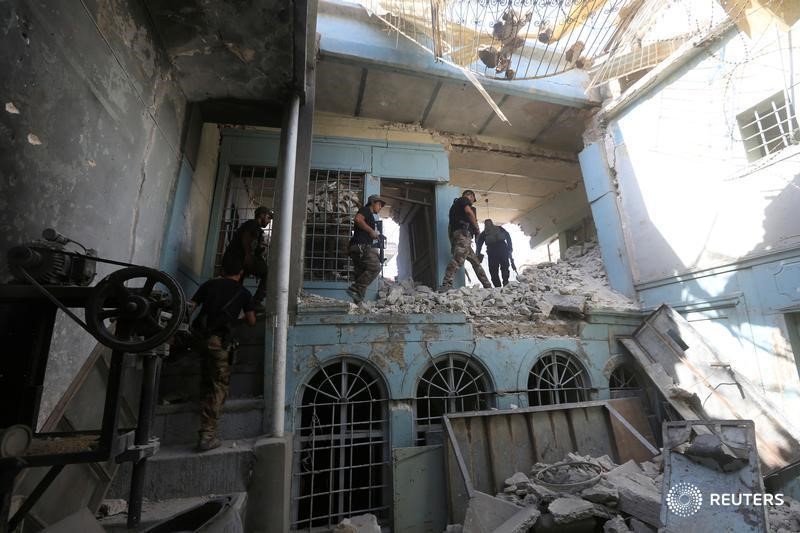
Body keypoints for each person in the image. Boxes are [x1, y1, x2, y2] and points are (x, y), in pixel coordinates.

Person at [189, 256, 256, 451]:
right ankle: (208, 434)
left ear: (222, 270)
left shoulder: (208, 285)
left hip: (199, 338)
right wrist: (238, 317)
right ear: (240, 273)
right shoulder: (243, 292)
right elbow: (251, 321)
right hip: (219, 342)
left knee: (206, 377)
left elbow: (190, 306)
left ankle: (203, 413)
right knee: (219, 385)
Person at [221, 206, 273, 310]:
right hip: (236, 260)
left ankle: (232, 311)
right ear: (261, 215)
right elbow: (246, 238)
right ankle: (255, 303)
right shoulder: (252, 224)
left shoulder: (255, 229)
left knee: (234, 290)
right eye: (268, 217)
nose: (268, 221)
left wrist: (261, 249)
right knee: (267, 273)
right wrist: (248, 256)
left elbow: (253, 245)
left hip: (237, 261)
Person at [440, 190, 492, 291]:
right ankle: (446, 284)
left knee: (476, 262)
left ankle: (488, 286)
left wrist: (453, 242)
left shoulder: (455, 208)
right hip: (463, 235)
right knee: (458, 259)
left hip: (463, 237)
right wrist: (477, 228)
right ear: (470, 196)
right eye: (473, 199)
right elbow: (469, 212)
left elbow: (450, 228)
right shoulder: (463, 200)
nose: (472, 202)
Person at [346, 194, 386, 304]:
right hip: (362, 246)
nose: (380, 207)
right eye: (379, 204)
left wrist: (375, 235)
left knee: (361, 274)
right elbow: (358, 219)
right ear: (373, 203)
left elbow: (363, 226)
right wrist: (371, 231)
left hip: (356, 247)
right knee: (375, 267)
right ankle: (355, 289)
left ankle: (358, 303)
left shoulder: (369, 216)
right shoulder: (365, 210)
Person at [476, 219, 513, 287]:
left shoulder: (484, 233)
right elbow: (508, 236)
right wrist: (510, 248)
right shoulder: (499, 228)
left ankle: (497, 286)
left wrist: (477, 254)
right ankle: (505, 282)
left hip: (492, 251)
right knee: (504, 267)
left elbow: (479, 244)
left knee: (493, 270)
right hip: (503, 248)